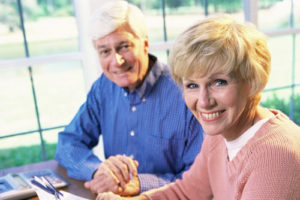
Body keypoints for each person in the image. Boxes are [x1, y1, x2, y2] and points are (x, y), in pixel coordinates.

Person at [96, 15, 300, 200]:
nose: (203, 102)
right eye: (192, 85)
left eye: (219, 82)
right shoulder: (219, 134)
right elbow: (186, 192)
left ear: (253, 81)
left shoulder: (277, 159)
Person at [55, 0, 204, 197]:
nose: (116, 61)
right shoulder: (103, 88)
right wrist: (99, 171)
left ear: (145, 43)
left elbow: (200, 179)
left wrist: (140, 184)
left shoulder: (186, 94)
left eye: (124, 46)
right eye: (105, 51)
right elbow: (67, 144)